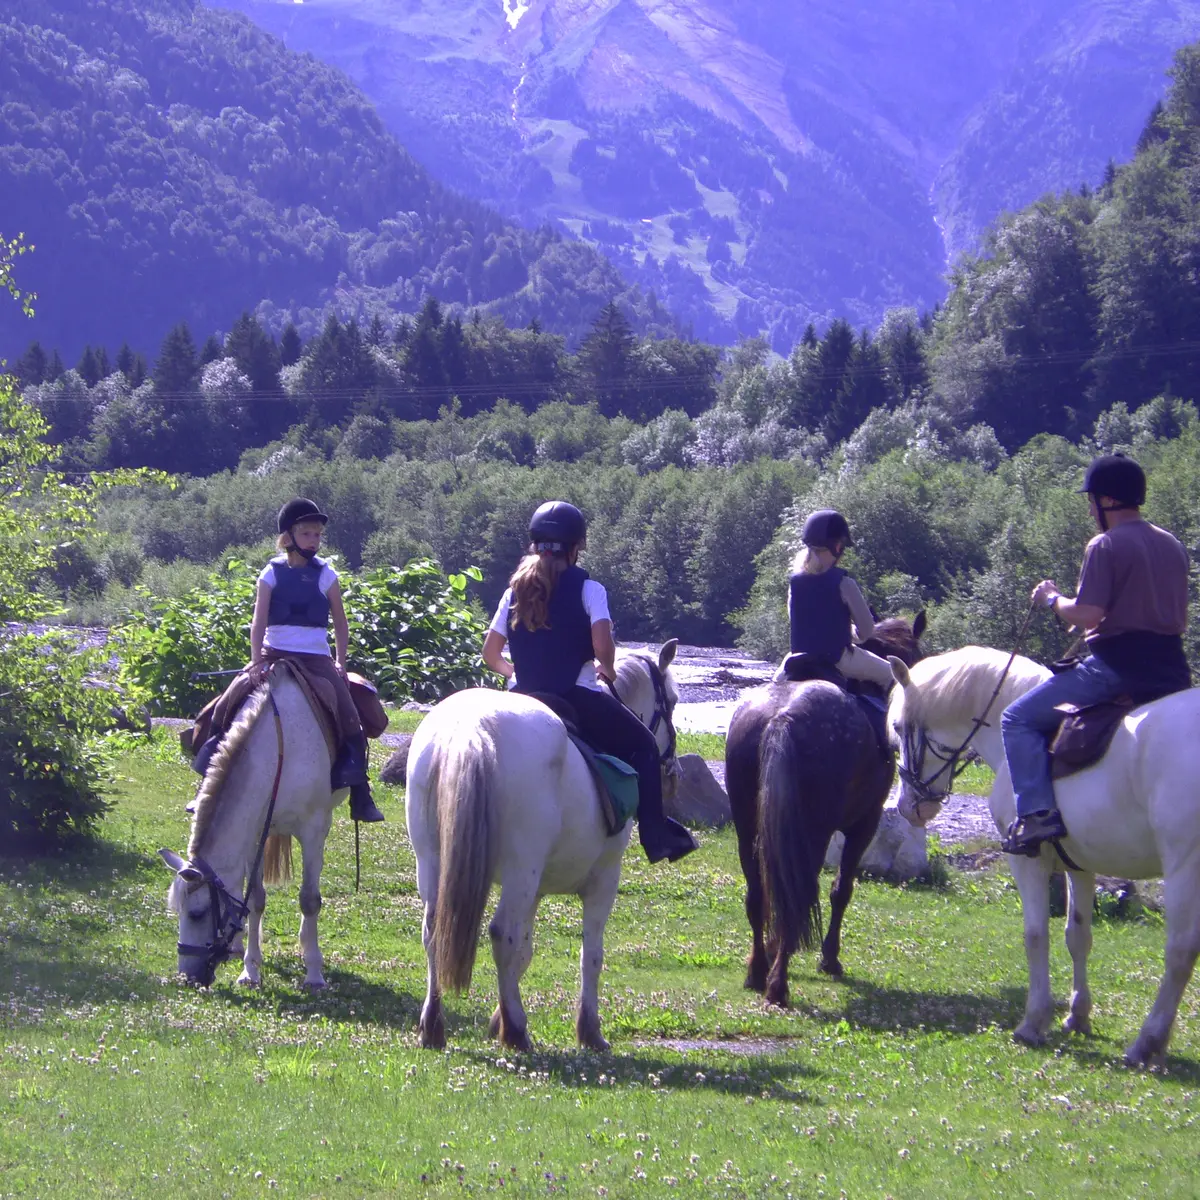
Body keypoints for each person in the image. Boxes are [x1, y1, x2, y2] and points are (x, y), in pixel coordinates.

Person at [481, 500, 697, 864]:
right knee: (645, 746)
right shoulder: (589, 589)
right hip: (575, 695)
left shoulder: (512, 592)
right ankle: (656, 836)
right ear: (575, 548)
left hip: (520, 697)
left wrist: (514, 674)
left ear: (535, 545)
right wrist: (608, 669)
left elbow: (490, 653)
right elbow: (602, 647)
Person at [1000, 453, 1191, 856]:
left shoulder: (1104, 544)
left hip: (1116, 669)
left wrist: (1052, 599)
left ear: (1107, 501)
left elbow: (1088, 612)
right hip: (1173, 672)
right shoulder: (1171, 544)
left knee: (1015, 718)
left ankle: (1036, 815)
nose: (1089, 510)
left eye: (1091, 501)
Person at [250, 497, 385, 824]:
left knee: (349, 714)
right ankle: (210, 774)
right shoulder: (270, 574)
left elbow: (341, 624)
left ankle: (359, 791)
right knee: (228, 703)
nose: (314, 540)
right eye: (308, 533)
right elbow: (258, 622)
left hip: (316, 658)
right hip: (274, 654)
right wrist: (255, 663)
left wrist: (340, 662)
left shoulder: (327, 575)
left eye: (318, 535)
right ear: (289, 536)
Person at [781, 509, 894, 690]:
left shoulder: (794, 583)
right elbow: (867, 631)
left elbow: (797, 620)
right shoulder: (844, 583)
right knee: (892, 674)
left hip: (797, 658)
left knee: (771, 690)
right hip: (839, 659)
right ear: (837, 547)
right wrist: (849, 633)